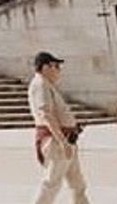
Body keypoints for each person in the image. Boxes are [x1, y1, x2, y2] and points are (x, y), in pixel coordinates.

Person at [28, 50, 89, 204]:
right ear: (45, 67)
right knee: (52, 183)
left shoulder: (46, 85)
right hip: (57, 141)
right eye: (56, 66)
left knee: (77, 183)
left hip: (68, 139)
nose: (58, 71)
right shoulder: (40, 84)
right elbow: (46, 115)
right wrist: (62, 141)